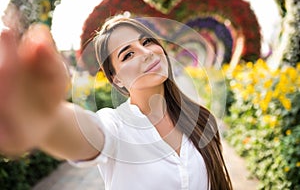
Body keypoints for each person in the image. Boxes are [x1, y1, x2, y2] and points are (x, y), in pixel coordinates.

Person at [0, 13, 232, 189]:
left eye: (148, 42)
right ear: (117, 79)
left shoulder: (201, 119)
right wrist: (47, 118)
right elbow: (88, 134)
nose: (146, 53)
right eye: (128, 54)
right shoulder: (116, 126)